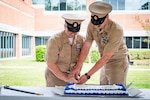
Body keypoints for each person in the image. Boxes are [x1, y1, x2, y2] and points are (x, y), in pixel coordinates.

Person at [70, 1, 129, 86]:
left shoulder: (116, 30)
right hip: (104, 61)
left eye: (99, 23)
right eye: (95, 23)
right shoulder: (92, 25)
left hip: (117, 61)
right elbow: (87, 45)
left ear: (107, 17)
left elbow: (106, 56)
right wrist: (77, 68)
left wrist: (87, 75)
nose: (96, 26)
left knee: (115, 91)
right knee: (103, 88)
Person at [45, 13, 85, 87]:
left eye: (75, 32)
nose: (73, 34)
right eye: (70, 31)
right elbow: (50, 63)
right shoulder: (55, 40)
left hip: (73, 77)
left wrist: (76, 71)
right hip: (55, 77)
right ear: (65, 26)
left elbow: (81, 58)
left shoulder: (81, 39)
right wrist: (66, 79)